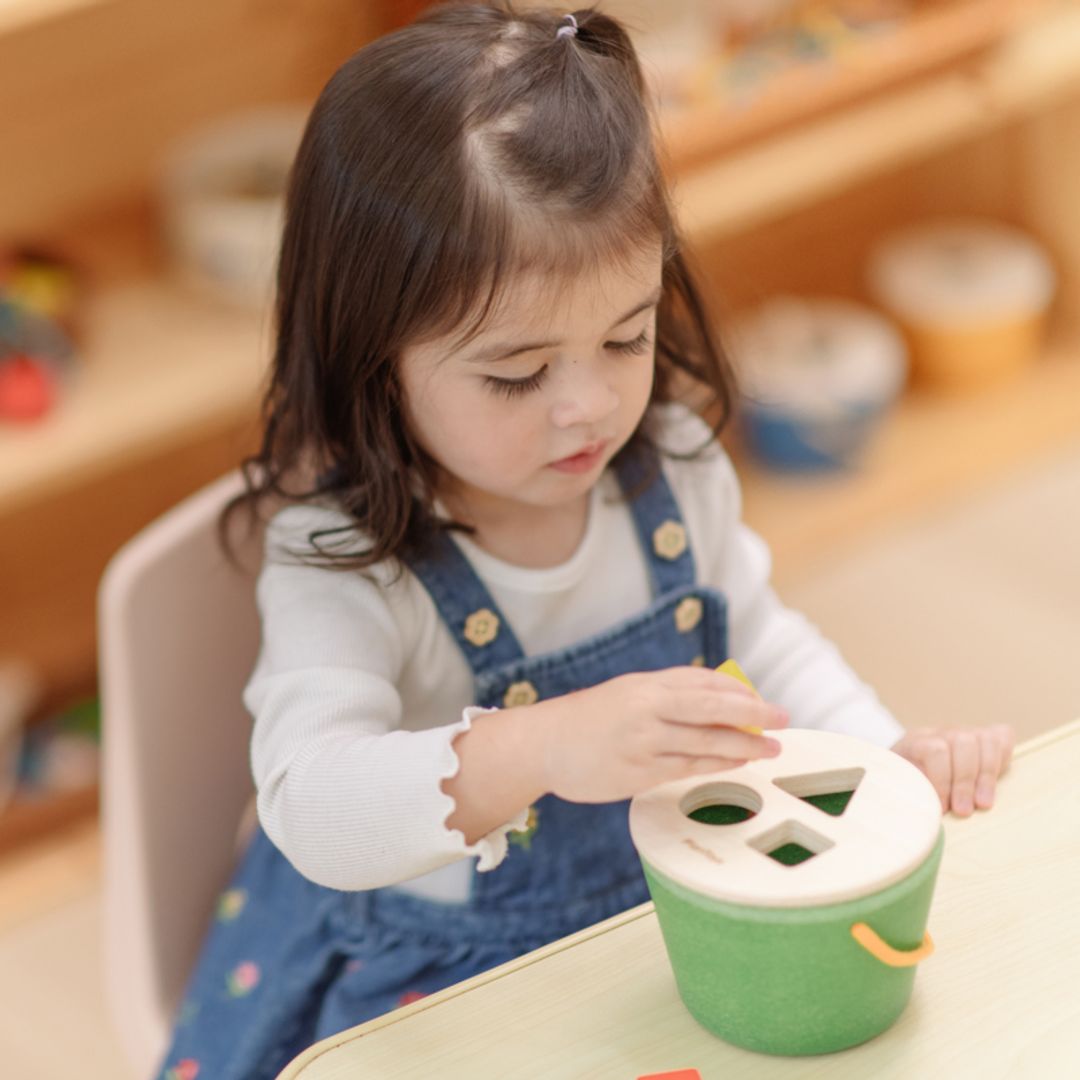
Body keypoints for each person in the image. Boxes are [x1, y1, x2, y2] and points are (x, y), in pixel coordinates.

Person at [157, 5, 1014, 1077]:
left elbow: (765, 642)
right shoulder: (347, 563)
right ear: (375, 362)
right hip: (439, 980)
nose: (589, 407)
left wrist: (877, 764)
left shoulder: (672, 472)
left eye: (627, 335)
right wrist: (543, 748)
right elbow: (311, 807)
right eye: (516, 374)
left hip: (665, 925)